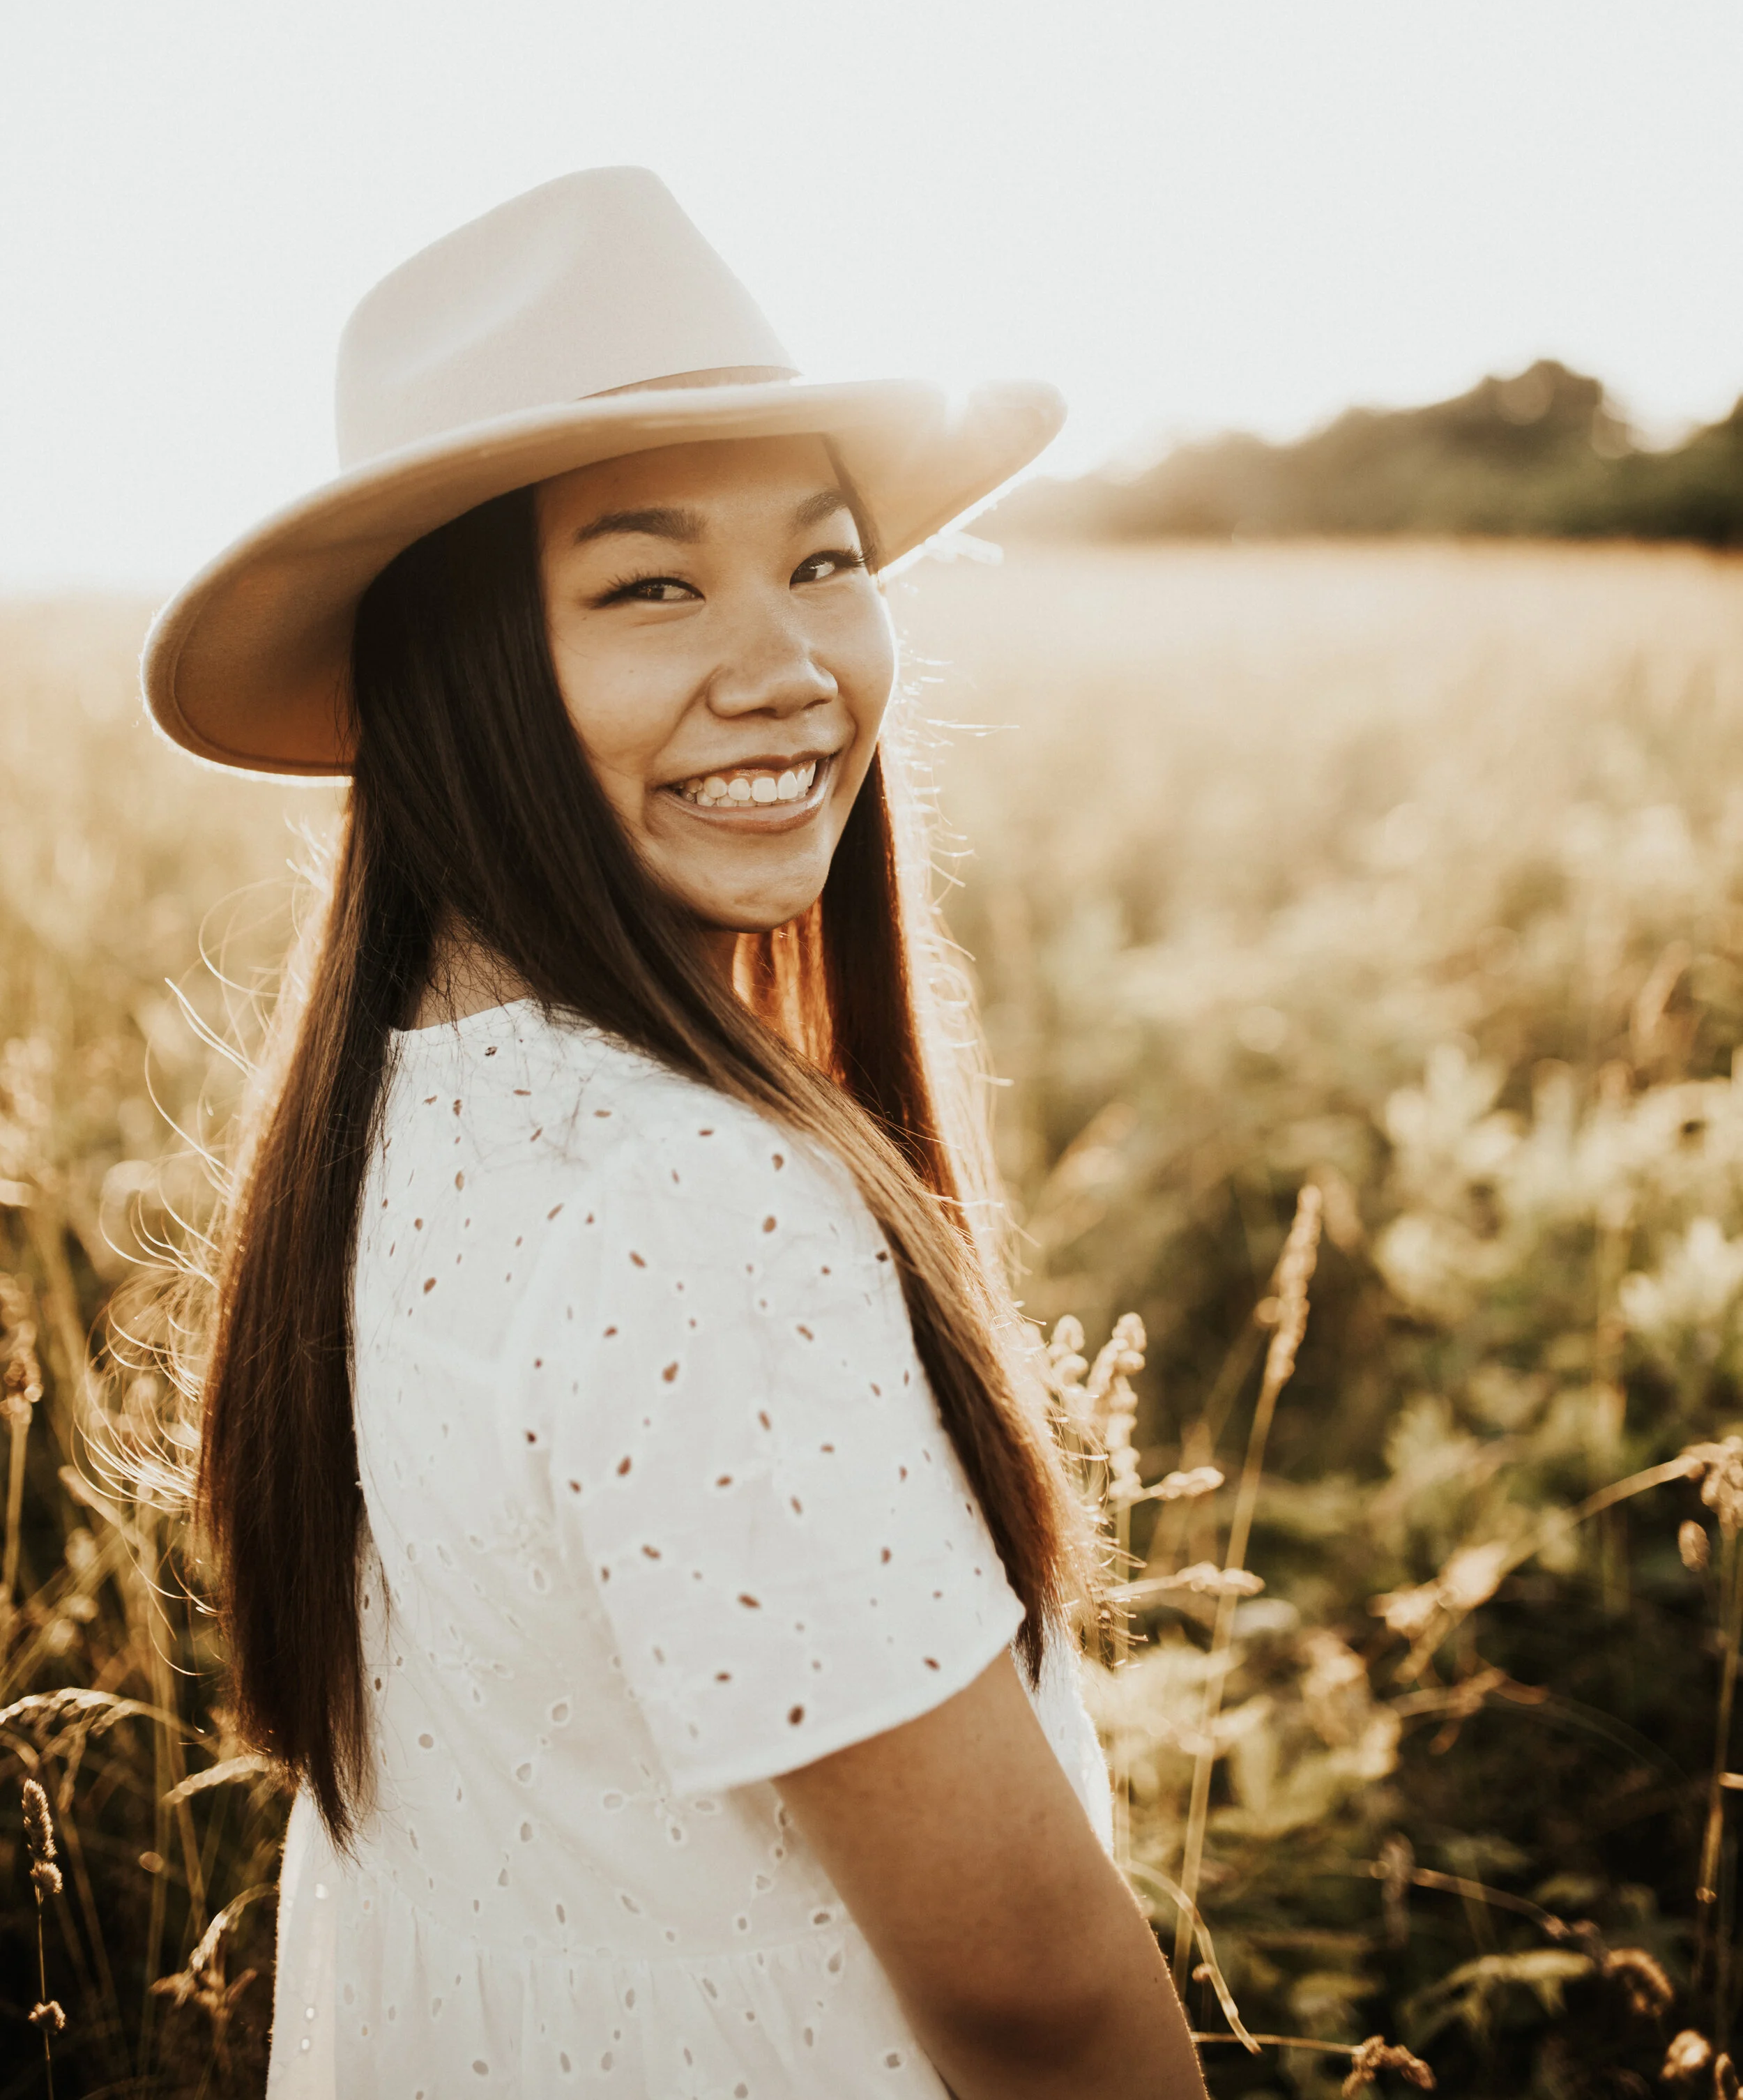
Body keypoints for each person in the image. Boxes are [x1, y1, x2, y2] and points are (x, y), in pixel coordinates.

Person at [144, 169, 1206, 2099]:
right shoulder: (687, 1206)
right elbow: (1033, 1997)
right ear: (448, 669)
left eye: (825, 559)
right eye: (650, 584)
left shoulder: (401, 1101)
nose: (790, 666)